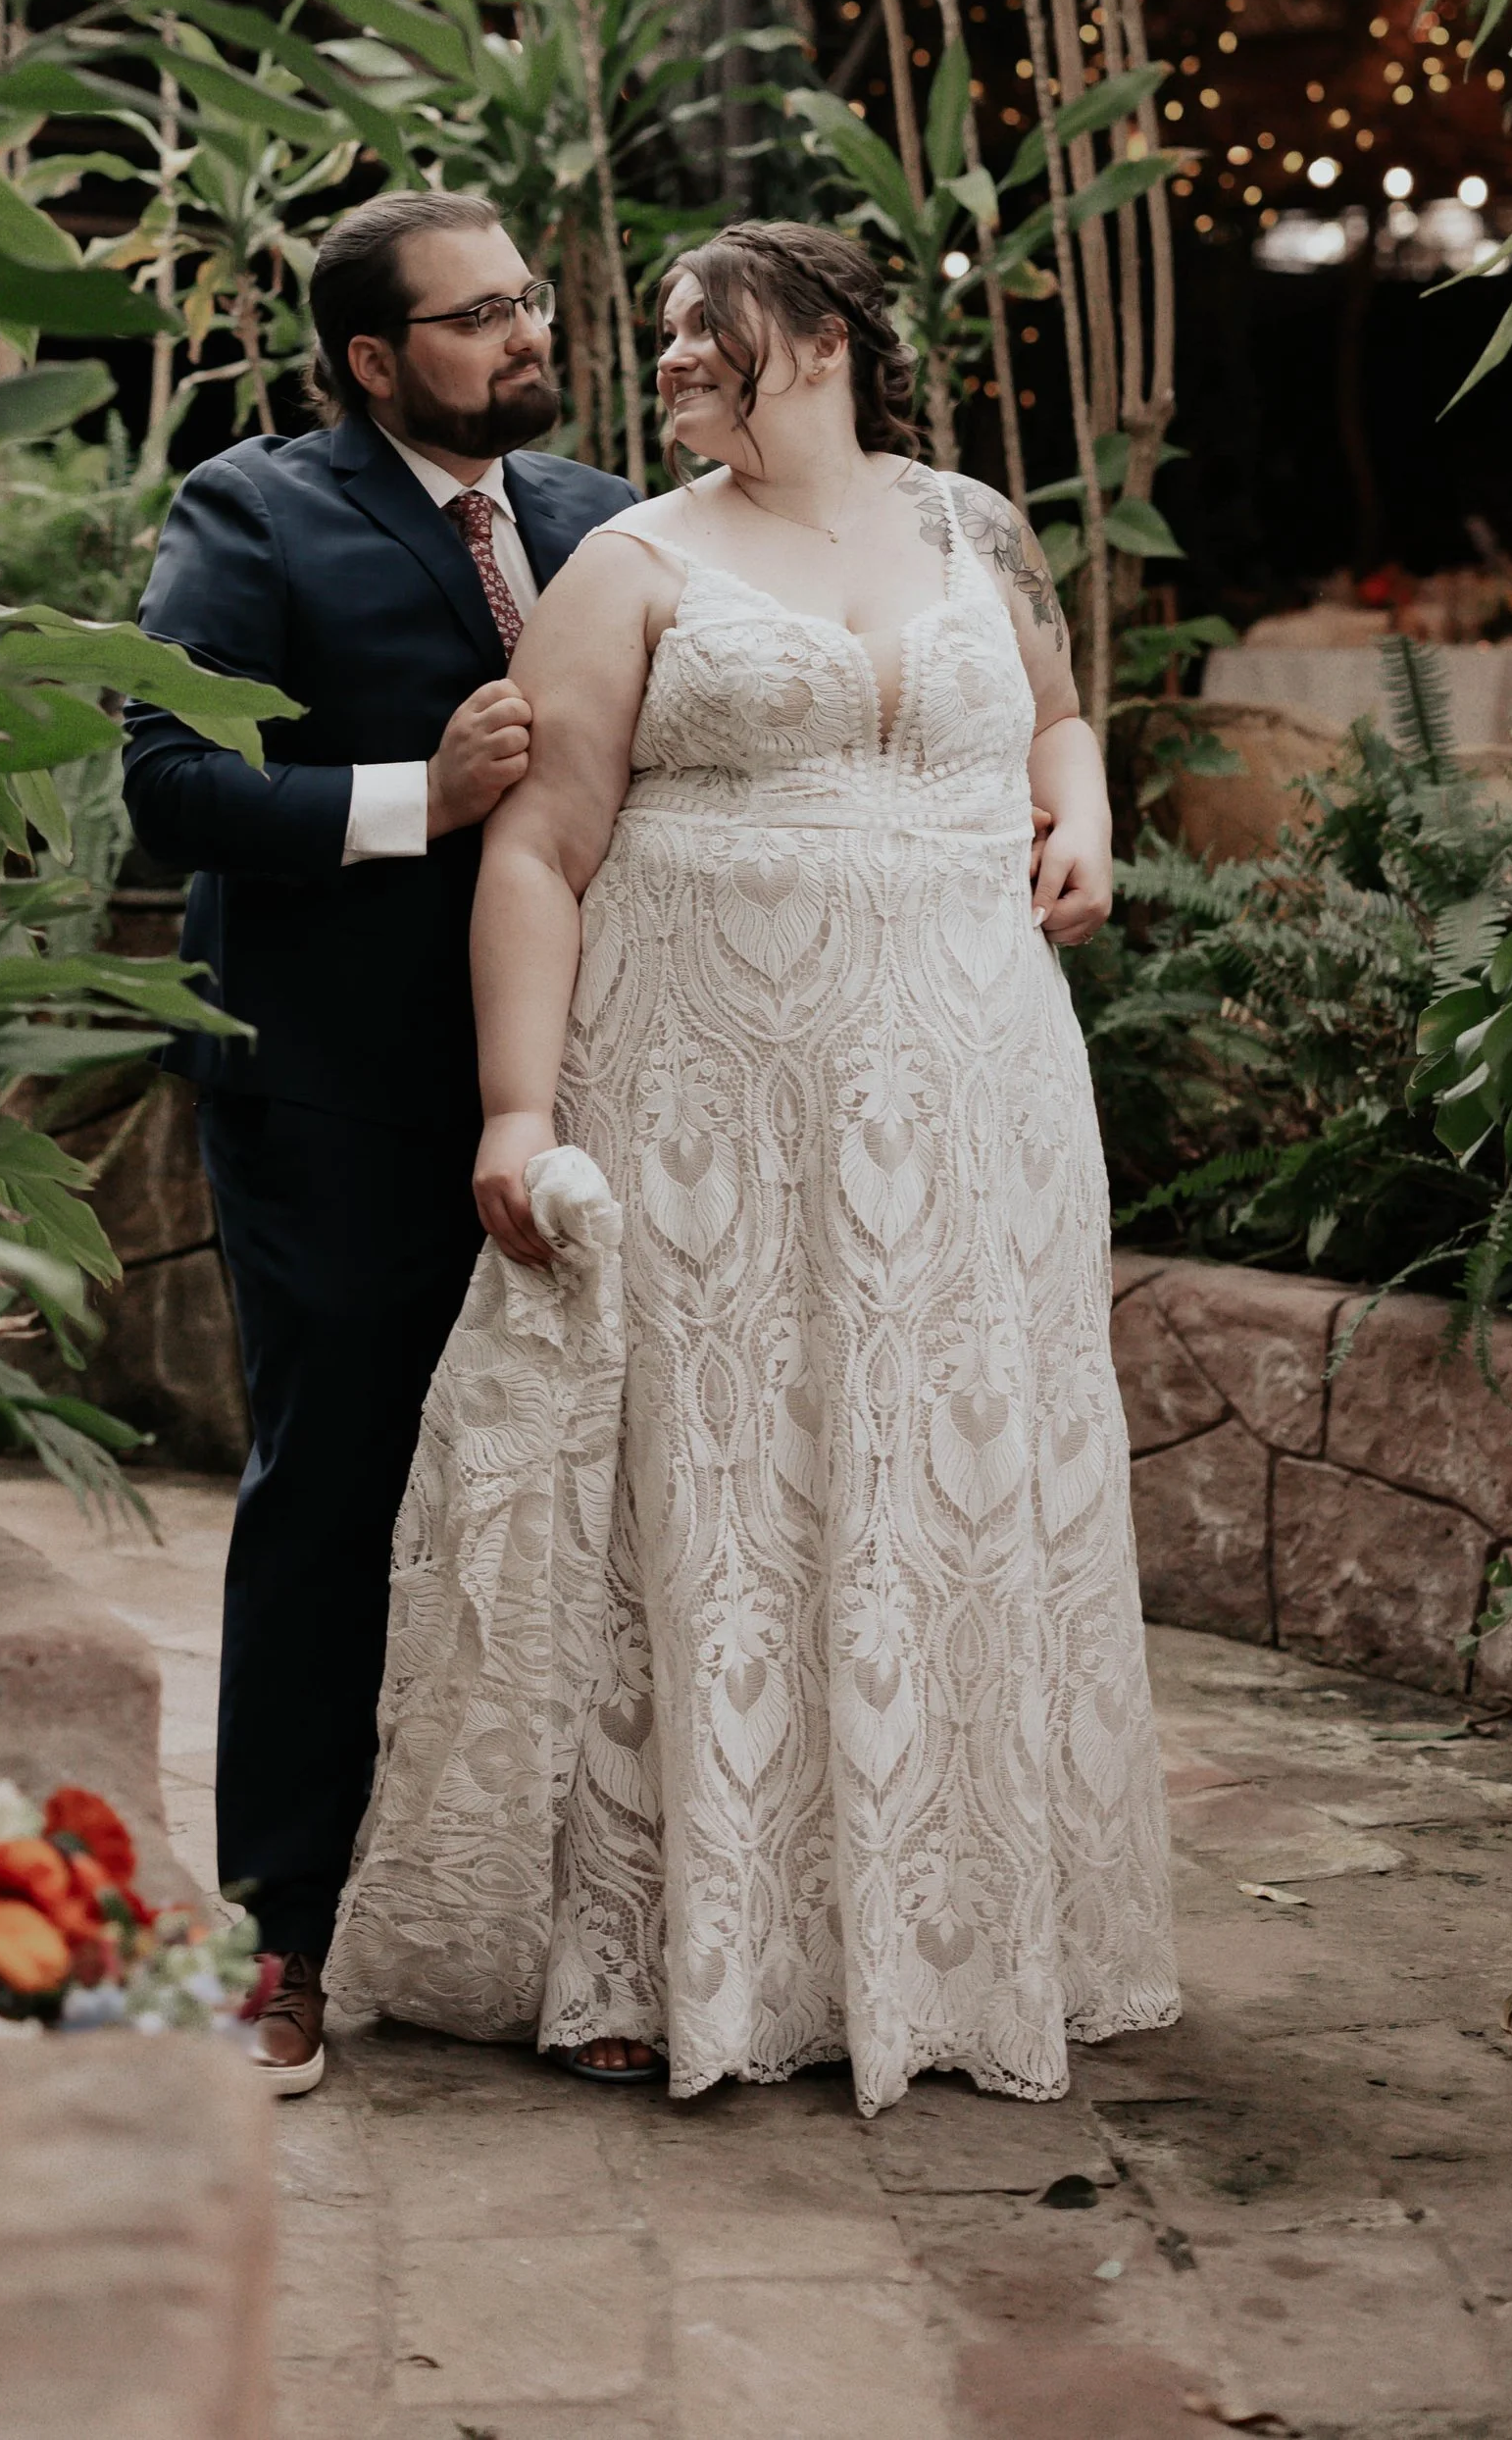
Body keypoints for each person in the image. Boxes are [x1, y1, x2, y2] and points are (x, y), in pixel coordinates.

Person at [327, 220, 1179, 2111]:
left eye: (710, 327)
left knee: (943, 1468)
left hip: (972, 1091)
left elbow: (1052, 719)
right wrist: (519, 1112)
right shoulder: (629, 562)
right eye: (670, 335)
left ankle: (950, 1931)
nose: (674, 357)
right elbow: (537, 848)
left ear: (828, 337)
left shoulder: (977, 528)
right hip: (702, 1094)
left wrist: (1088, 818)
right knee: (717, 1482)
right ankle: (664, 1942)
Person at [120, 190, 634, 2096]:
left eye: (525, 300)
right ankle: (286, 1935)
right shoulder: (248, 515)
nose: (521, 332)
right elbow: (168, 784)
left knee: (577, 1506)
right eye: (474, 314)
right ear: (367, 359)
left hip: (585, 1102)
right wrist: (420, 794)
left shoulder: (597, 521)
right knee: (333, 1491)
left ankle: (563, 1924)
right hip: (330, 1091)